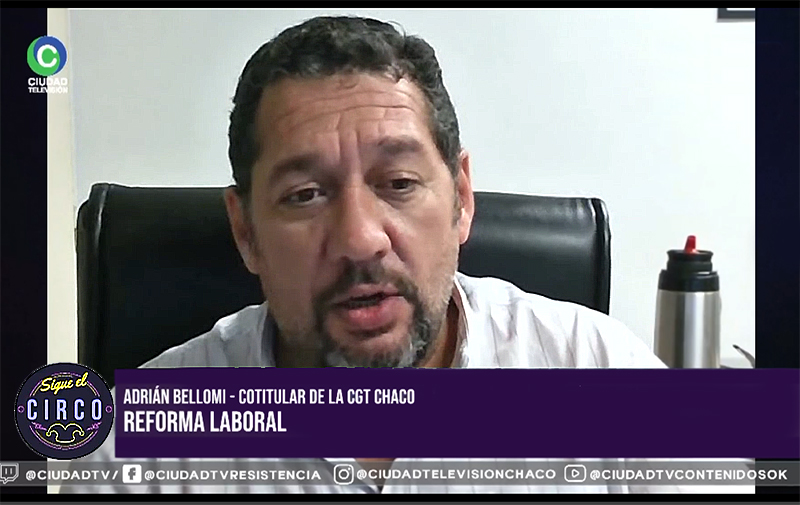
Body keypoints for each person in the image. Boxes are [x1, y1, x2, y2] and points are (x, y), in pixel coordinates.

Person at [62, 15, 751, 494]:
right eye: (305, 194)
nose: (361, 238)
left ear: (462, 199)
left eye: (398, 183)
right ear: (246, 232)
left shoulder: (599, 372)